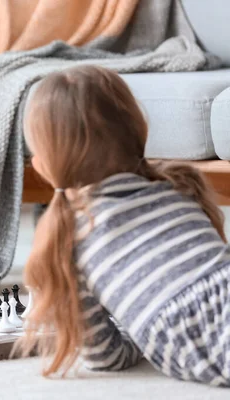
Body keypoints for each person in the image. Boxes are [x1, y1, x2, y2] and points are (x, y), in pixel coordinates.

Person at [18, 65, 229, 386]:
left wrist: (144, 337)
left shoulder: (68, 239)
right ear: (138, 131)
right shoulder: (178, 187)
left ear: (45, 164)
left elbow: (105, 356)